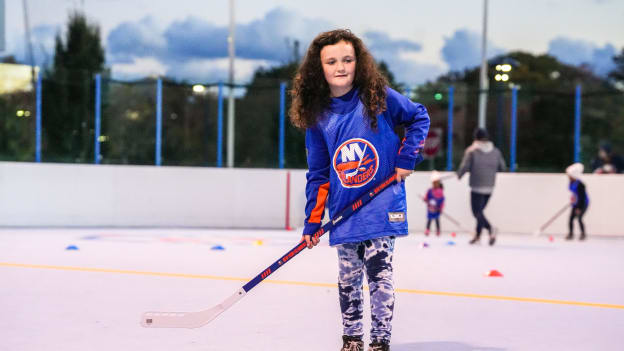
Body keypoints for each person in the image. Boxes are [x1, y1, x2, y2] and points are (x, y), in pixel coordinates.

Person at [289, 29, 430, 351]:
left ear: (359, 63)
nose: (340, 67)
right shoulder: (318, 116)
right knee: (348, 278)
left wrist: (407, 157)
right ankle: (351, 341)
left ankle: (380, 342)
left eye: (347, 59)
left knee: (380, 274)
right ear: (319, 68)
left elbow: (418, 116)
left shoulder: (377, 96)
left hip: (382, 201)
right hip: (344, 210)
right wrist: (312, 223)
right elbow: (320, 174)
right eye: (332, 61)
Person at [456, 128, 506, 246]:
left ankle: (490, 229)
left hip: (477, 185)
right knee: (480, 212)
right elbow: (502, 167)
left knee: (476, 212)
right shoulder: (496, 151)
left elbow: (465, 166)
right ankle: (478, 235)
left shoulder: (472, 151)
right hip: (489, 186)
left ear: (475, 138)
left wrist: (459, 175)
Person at [566, 163, 589, 240]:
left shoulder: (580, 185)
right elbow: (574, 194)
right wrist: (573, 199)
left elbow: (582, 197)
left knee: (579, 218)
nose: (568, 176)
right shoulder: (571, 182)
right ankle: (570, 234)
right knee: (571, 218)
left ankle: (583, 234)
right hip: (575, 203)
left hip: (583, 203)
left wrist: (579, 208)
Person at [424, 171, 445, 236]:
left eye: (436, 183)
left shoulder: (440, 191)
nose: (435, 184)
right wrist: (425, 200)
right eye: (434, 183)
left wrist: (441, 208)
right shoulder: (430, 190)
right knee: (429, 219)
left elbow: (442, 201)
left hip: (437, 209)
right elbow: (426, 197)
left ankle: (438, 230)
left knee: (437, 219)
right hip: (430, 209)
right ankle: (427, 230)